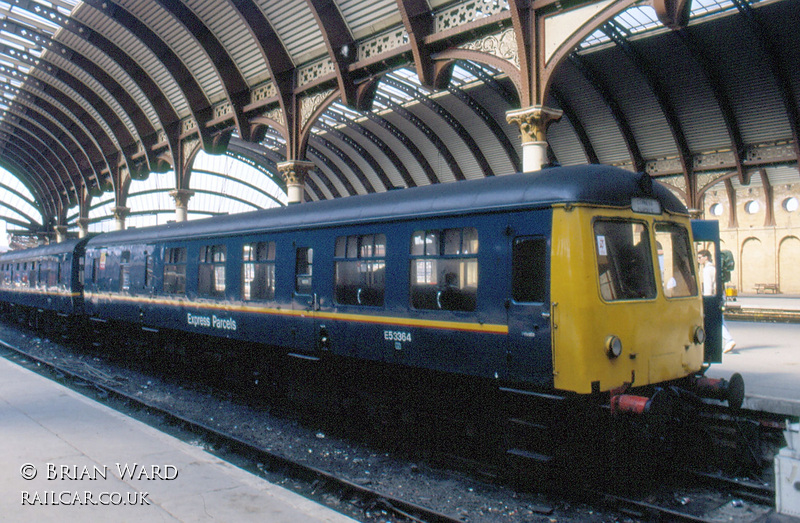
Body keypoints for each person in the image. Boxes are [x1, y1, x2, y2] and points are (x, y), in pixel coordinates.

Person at [697, 249, 736, 353]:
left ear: (706, 258)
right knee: (719, 319)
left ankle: (729, 340)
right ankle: (729, 340)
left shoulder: (707, 270)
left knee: (717, 320)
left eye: (700, 257)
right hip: (720, 296)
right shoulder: (714, 268)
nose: (698, 260)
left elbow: (708, 288)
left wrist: (706, 301)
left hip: (712, 297)